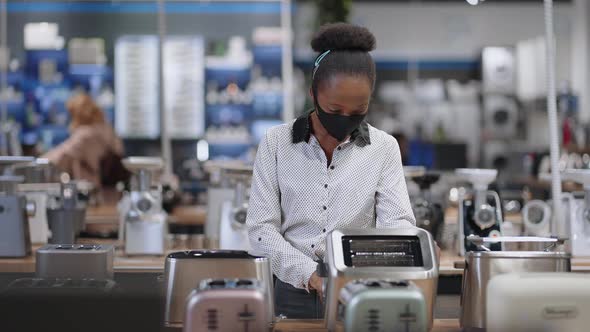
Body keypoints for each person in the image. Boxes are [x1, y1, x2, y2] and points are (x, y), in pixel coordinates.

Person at [246, 23, 416, 319]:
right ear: (313, 93)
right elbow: (261, 229)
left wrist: (410, 245)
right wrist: (309, 274)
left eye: (358, 110)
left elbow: (396, 222)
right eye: (335, 110)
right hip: (292, 293)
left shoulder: (384, 148)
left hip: (361, 291)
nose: (345, 120)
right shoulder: (276, 143)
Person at [43, 93, 127, 188]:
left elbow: (62, 155)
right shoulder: (108, 129)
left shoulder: (85, 134)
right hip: (112, 188)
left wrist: (38, 162)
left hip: (92, 188)